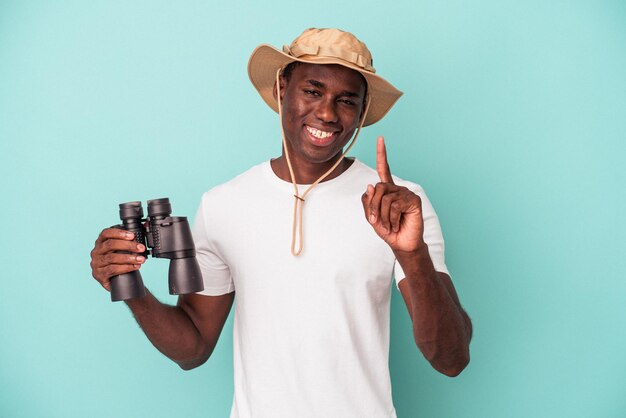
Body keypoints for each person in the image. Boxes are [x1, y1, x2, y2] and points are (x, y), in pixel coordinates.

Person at [90, 28, 472, 418]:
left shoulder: (400, 205)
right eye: (312, 91)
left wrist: (411, 253)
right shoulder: (224, 204)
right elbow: (193, 349)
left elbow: (451, 358)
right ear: (281, 88)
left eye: (346, 100)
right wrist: (131, 287)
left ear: (361, 113)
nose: (326, 113)